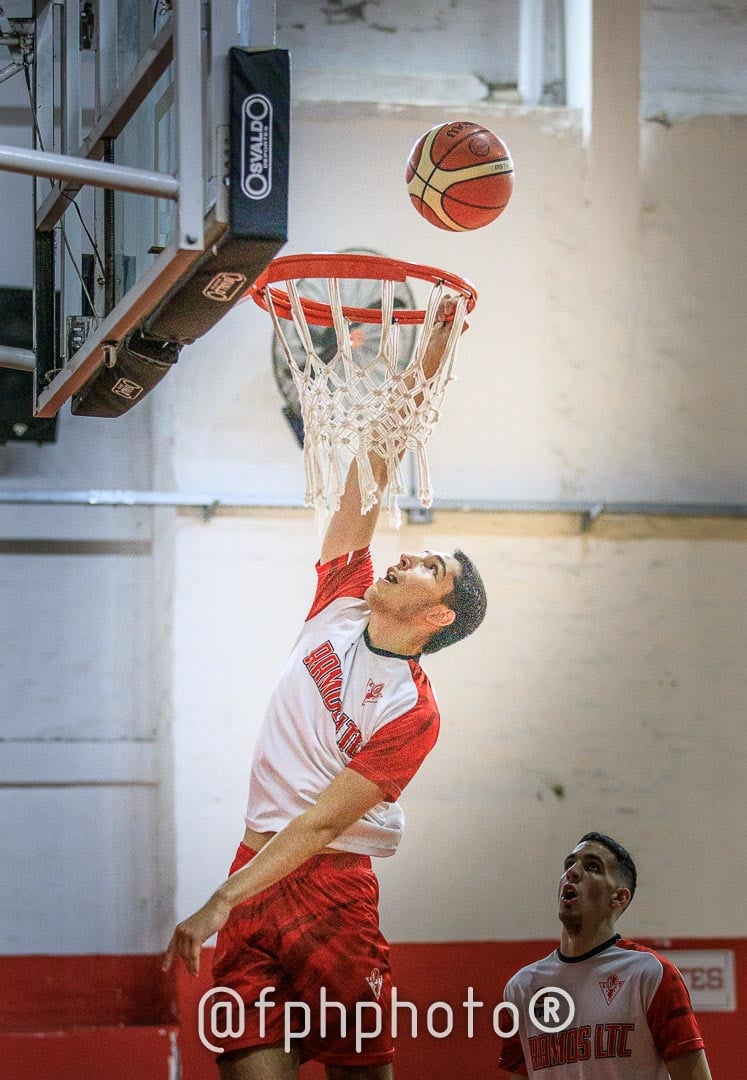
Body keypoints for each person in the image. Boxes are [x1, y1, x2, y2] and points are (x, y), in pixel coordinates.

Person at [163, 297, 487, 1079]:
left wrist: (220, 898)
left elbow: (315, 827)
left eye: (427, 567)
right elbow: (372, 464)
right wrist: (425, 360)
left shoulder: (412, 711)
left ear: (436, 615)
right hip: (254, 865)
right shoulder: (340, 601)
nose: (402, 558)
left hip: (330, 887)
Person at [498, 832, 712, 1080]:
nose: (572, 872)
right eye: (569, 865)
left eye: (592, 867)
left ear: (619, 897)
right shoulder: (521, 988)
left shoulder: (650, 974)